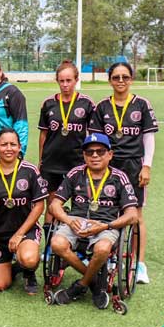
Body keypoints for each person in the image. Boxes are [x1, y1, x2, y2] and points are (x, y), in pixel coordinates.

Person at [48, 133, 139, 309]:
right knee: (57, 244)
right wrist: (67, 219)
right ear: (84, 155)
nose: (95, 156)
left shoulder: (119, 177)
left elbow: (132, 215)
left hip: (105, 224)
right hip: (76, 221)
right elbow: (54, 205)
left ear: (110, 155)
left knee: (103, 248)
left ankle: (81, 285)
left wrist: (106, 225)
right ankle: (96, 282)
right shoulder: (75, 173)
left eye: (100, 151)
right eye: (90, 152)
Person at [88, 62, 157, 284]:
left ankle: (139, 264)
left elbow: (148, 138)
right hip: (109, 166)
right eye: (116, 77)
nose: (120, 81)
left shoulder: (142, 104)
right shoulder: (102, 107)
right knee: (110, 213)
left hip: (134, 166)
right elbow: (97, 143)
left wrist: (147, 165)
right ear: (110, 80)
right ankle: (112, 258)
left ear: (131, 79)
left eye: (125, 77)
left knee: (135, 215)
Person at [0, 129, 48, 295]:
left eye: (13, 144)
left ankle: (28, 271)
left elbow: (39, 205)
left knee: (29, 259)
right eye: (4, 144)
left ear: (19, 147)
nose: (8, 148)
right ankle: (16, 267)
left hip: (25, 230)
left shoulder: (30, 170)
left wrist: (19, 234)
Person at [38, 60, 95, 233]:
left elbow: (91, 135)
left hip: (76, 162)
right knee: (52, 204)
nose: (65, 85)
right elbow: (43, 134)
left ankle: (79, 241)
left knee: (81, 202)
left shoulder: (86, 103)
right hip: (52, 162)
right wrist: (41, 160)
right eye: (61, 81)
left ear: (76, 80)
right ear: (57, 81)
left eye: (68, 80)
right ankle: (48, 247)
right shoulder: (48, 104)